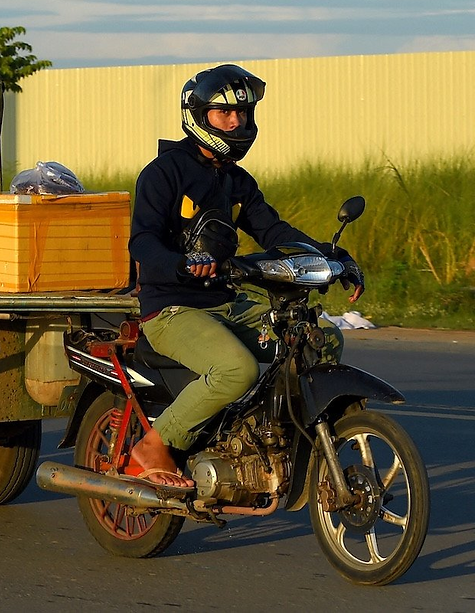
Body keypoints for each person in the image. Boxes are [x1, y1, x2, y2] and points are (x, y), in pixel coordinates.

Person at [127, 64, 365, 491]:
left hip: (225, 300)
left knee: (321, 339)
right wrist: (182, 264)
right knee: (237, 370)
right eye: (225, 114)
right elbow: (141, 243)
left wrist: (334, 257)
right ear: (199, 116)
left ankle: (281, 438)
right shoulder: (164, 173)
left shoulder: (235, 180)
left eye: (244, 114)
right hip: (172, 307)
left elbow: (273, 231)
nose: (237, 123)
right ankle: (154, 444)